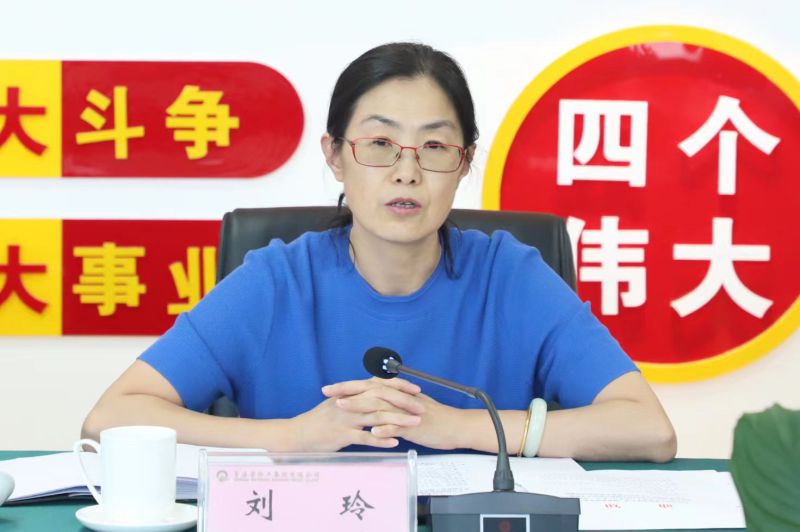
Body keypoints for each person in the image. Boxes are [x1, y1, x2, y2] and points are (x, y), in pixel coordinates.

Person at [82, 42, 676, 462]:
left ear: (464, 163)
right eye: (380, 143)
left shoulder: (511, 276)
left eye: (435, 147)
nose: (406, 172)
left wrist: (462, 427)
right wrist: (290, 436)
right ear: (335, 155)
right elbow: (108, 420)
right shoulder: (276, 281)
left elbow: (649, 430)